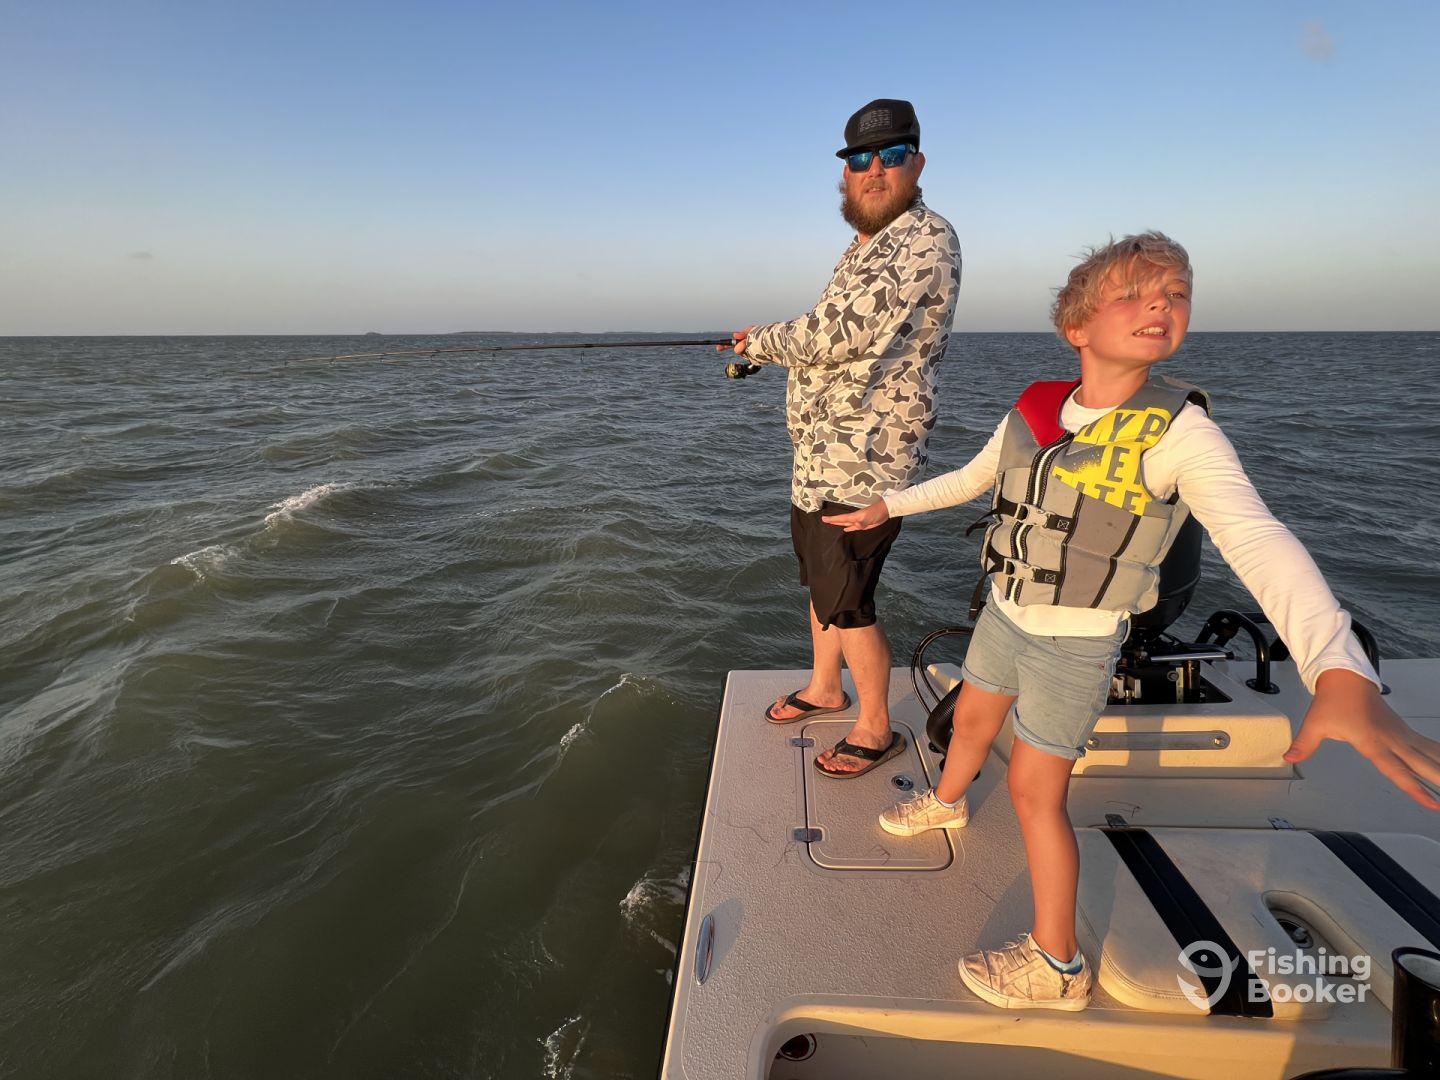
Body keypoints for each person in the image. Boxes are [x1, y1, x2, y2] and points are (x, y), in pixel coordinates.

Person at [823, 232, 1440, 1009]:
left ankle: (1056, 967)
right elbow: (976, 479)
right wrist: (889, 504)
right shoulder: (1035, 406)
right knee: (973, 717)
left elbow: (1257, 537)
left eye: (1176, 293)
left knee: (1034, 793)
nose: (1160, 303)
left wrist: (1336, 664)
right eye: (1133, 293)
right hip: (1008, 612)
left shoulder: (1183, 432)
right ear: (1076, 326)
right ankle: (946, 799)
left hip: (1075, 643)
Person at [721, 98, 962, 778]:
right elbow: (827, 326)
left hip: (866, 462)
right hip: (819, 455)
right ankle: (826, 687)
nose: (874, 170)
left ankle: (876, 725)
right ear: (846, 173)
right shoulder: (863, 245)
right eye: (860, 159)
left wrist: (763, 342)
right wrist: (758, 351)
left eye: (890, 156)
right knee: (821, 580)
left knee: (849, 596)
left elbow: (839, 334)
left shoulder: (925, 239)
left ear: (916, 163)